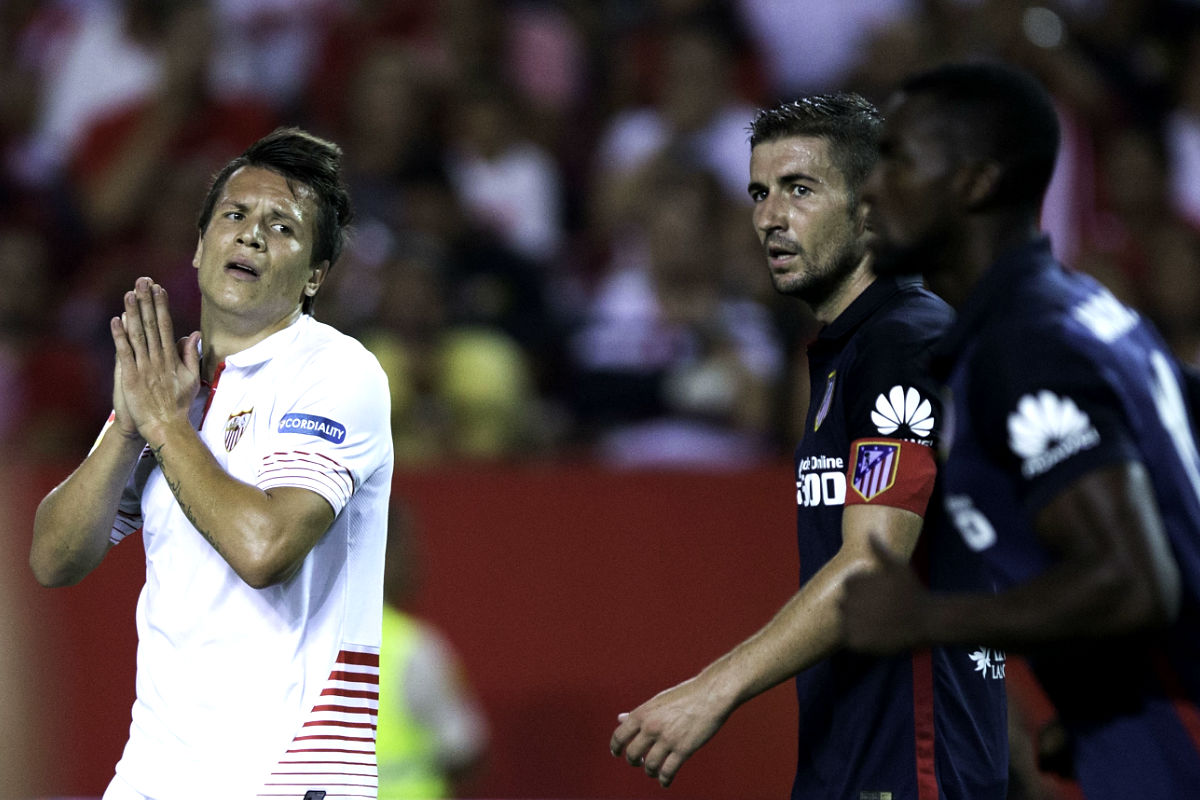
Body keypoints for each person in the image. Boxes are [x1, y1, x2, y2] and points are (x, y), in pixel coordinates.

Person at [609, 93, 1008, 797]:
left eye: (800, 189)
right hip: (856, 758)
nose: (769, 217)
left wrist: (714, 689)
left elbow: (872, 564)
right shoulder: (848, 353)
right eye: (760, 193)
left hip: (913, 766)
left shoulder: (903, 346)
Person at [841, 61, 1200, 800]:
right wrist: (1098, 697)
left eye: (900, 160)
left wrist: (926, 617)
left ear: (975, 182)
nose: (871, 188)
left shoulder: (1022, 345)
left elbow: (1134, 583)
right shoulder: (1085, 310)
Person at [29, 127, 394, 799]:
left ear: (315, 275)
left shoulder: (338, 371)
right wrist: (125, 430)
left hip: (289, 775)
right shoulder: (168, 381)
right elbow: (53, 559)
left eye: (282, 226)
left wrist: (165, 424)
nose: (252, 234)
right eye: (236, 214)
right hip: (153, 772)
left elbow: (266, 549)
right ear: (200, 248)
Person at [377, 500, 488, 798]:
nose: (418, 562)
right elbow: (465, 748)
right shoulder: (413, 646)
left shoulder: (303, 641)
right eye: (406, 550)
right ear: (380, 553)